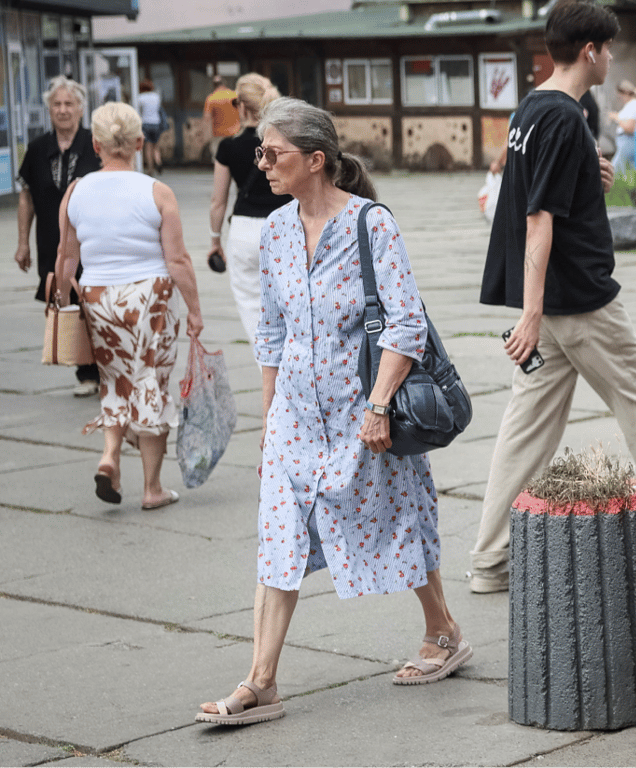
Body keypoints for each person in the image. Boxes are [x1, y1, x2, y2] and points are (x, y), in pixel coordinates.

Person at [196, 97, 472, 726]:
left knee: (399, 515)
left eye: (273, 153)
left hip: (363, 410)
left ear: (316, 160)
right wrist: (270, 424)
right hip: (296, 413)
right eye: (260, 152)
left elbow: (405, 325)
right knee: (279, 537)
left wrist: (378, 408)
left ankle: (444, 629)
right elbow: (271, 333)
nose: (260, 163)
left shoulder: (371, 225)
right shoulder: (274, 231)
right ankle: (261, 680)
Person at [475, 0, 636, 594]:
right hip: (579, 303)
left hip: (552, 303)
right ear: (590, 51)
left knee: (525, 432)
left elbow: (538, 186)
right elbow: (538, 217)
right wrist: (532, 313)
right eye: (609, 48)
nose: (613, 57)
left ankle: (492, 560)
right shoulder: (564, 116)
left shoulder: (534, 109)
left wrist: (585, 176)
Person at [53, 102, 205, 510]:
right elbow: (177, 260)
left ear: (96, 145)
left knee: (115, 380)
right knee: (150, 384)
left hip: (97, 297)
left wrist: (65, 302)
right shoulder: (156, 191)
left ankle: (110, 455)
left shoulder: (76, 190)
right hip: (149, 298)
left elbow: (67, 257)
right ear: (139, 142)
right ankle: (152, 489)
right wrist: (194, 309)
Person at [15, 76, 102, 396]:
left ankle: (103, 367)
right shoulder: (38, 149)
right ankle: (86, 372)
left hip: (92, 243)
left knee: (93, 304)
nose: (63, 110)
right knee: (67, 306)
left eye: (69, 104)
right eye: (57, 104)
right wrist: (23, 242)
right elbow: (26, 196)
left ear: (81, 109)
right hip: (51, 242)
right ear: (49, 110)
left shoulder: (96, 144)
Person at [207, 73, 292, 341]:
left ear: (241, 107)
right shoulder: (286, 141)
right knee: (292, 304)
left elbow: (218, 202)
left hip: (244, 231)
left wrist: (215, 240)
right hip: (285, 225)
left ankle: (268, 373)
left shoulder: (228, 147)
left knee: (252, 307)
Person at [202, 74, 240, 162]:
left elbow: (207, 118)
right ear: (224, 83)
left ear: (214, 85)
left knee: (219, 159)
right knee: (234, 158)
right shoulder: (234, 95)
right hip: (235, 132)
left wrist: (205, 136)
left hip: (218, 134)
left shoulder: (211, 98)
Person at [607, 79, 636, 171]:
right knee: (626, 170)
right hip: (624, 141)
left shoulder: (634, 105)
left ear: (626, 93)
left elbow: (630, 128)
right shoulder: (630, 105)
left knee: (614, 170)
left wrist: (616, 118)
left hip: (627, 140)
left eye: (621, 95)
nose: (620, 97)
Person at [136, 79, 165, 175]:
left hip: (145, 123)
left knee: (148, 147)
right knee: (155, 146)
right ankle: (158, 162)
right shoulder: (156, 96)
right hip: (156, 123)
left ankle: (150, 168)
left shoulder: (140, 97)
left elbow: (138, 111)